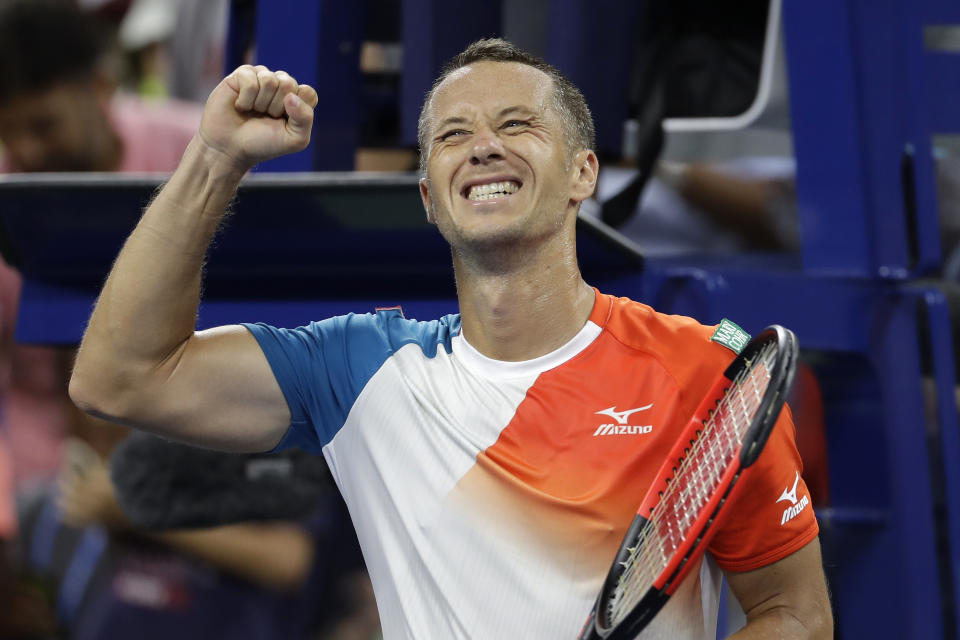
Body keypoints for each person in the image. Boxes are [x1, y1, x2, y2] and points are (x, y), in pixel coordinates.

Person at [70, 39, 833, 638]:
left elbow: (795, 615)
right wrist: (215, 159)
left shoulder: (705, 368)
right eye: (455, 134)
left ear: (583, 173)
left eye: (518, 125)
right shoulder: (357, 368)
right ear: (431, 198)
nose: (484, 147)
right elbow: (119, 377)